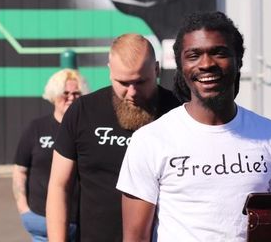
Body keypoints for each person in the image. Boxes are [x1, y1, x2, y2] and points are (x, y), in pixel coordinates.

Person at [117, 11, 271, 241]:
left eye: (219, 53)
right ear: (180, 65)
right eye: (193, 55)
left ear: (238, 61)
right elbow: (135, 237)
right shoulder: (150, 140)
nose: (206, 64)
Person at [47, 33, 180, 242]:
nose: (132, 92)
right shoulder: (83, 112)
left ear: (156, 69)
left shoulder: (179, 112)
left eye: (140, 81)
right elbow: (59, 185)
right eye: (124, 83)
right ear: (110, 70)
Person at [12, 68, 89, 242]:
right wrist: (24, 209)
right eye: (65, 93)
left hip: (81, 223)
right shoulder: (36, 128)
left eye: (76, 93)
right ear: (54, 95)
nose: (71, 97)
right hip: (42, 220)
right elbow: (20, 170)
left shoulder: (88, 130)